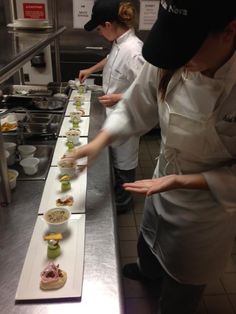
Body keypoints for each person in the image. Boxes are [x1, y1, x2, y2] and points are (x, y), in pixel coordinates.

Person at [62, 0, 236, 313]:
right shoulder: (172, 57)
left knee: (179, 293)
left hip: (203, 214)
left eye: (189, 47)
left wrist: (184, 180)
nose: (179, 60)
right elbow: (134, 105)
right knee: (148, 244)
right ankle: (147, 273)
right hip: (161, 184)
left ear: (229, 32)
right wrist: (99, 142)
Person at [79, 0, 145, 214]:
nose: (99, 32)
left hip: (126, 116)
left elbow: (148, 90)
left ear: (108, 24)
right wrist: (91, 69)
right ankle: (117, 198)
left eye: (99, 28)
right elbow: (110, 58)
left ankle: (124, 205)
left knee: (123, 164)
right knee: (113, 160)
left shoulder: (134, 50)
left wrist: (118, 96)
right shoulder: (118, 42)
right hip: (113, 113)